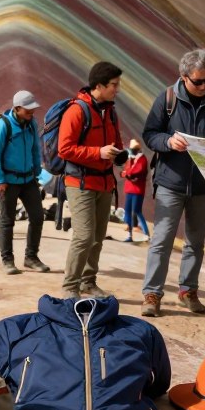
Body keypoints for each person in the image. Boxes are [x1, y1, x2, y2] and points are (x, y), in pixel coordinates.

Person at [140, 48, 205, 318]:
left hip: (204, 187)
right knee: (162, 239)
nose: (204, 86)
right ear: (183, 76)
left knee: (196, 242)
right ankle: (152, 294)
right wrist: (168, 142)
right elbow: (150, 134)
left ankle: (188, 291)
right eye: (198, 81)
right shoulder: (167, 99)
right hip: (170, 182)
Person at [58, 61, 124, 298]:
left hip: (105, 183)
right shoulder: (77, 111)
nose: (117, 89)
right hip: (80, 184)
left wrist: (118, 154)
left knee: (97, 238)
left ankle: (88, 282)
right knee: (84, 236)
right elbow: (64, 149)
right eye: (114, 85)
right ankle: (69, 287)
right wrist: (98, 153)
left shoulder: (110, 111)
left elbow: (116, 141)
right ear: (99, 85)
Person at [0, 90, 50, 276]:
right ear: (17, 108)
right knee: (7, 221)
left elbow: (35, 149)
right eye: (28, 110)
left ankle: (31, 258)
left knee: (38, 216)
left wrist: (37, 171)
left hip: (29, 179)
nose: (32, 113)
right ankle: (8, 260)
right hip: (8, 181)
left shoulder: (31, 125)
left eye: (33, 109)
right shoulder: (3, 125)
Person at [120, 139, 150, 242]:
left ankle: (147, 234)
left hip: (137, 190)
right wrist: (126, 173)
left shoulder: (142, 159)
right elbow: (125, 172)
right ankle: (129, 235)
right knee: (128, 211)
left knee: (137, 211)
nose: (132, 151)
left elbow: (135, 171)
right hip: (129, 188)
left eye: (134, 149)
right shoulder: (130, 158)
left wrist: (127, 173)